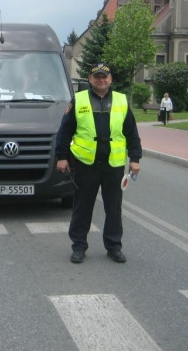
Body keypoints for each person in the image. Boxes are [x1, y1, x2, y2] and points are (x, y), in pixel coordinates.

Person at [55, 63, 142, 264]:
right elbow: (64, 131)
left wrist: (135, 159)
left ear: (110, 79)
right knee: (82, 207)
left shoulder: (121, 100)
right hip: (86, 164)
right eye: (97, 77)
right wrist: (62, 157)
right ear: (90, 79)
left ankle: (113, 246)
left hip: (113, 165)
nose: (101, 80)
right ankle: (78, 246)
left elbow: (132, 133)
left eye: (104, 76)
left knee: (114, 208)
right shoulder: (79, 100)